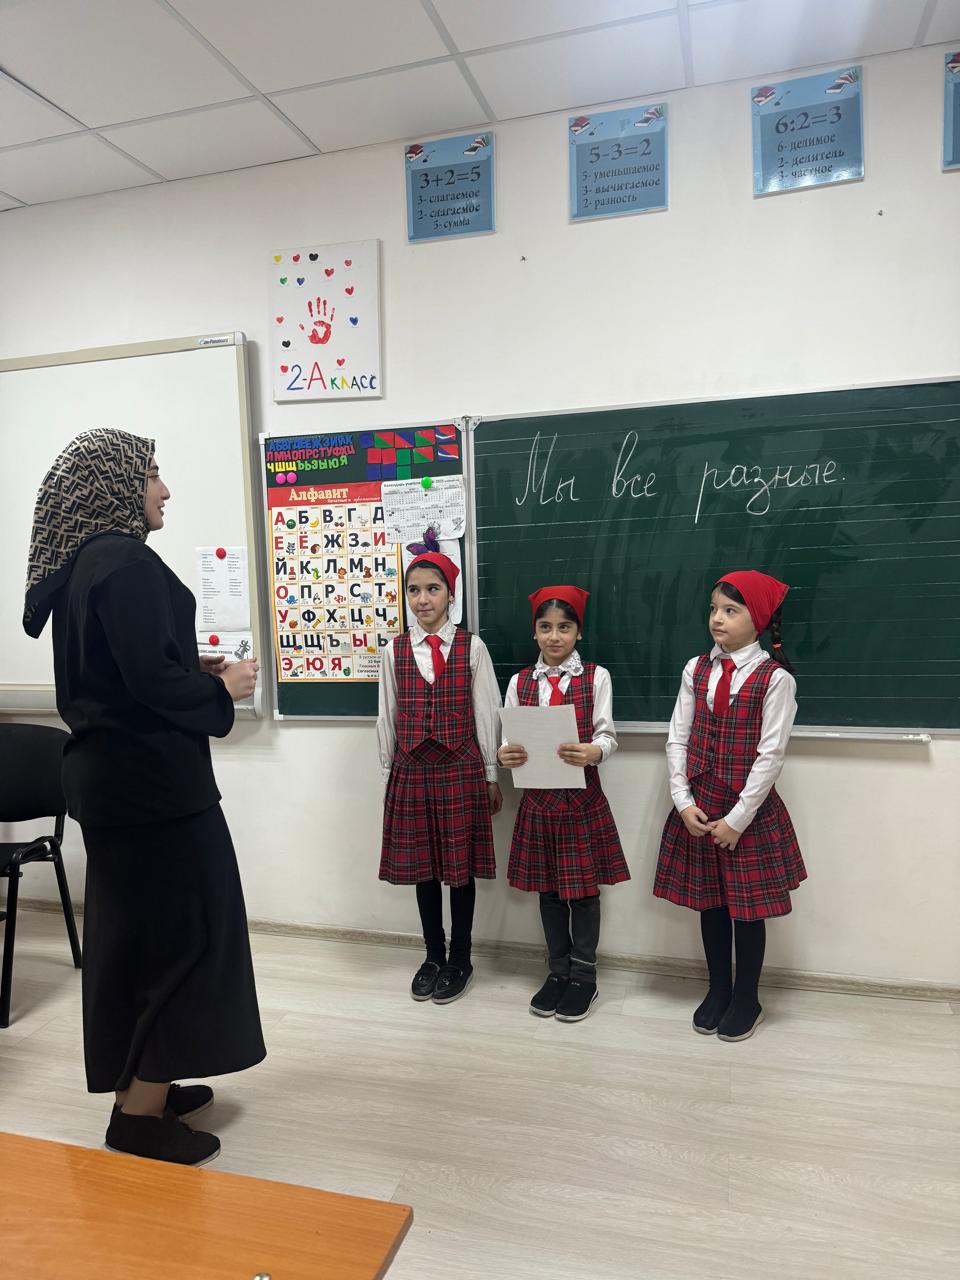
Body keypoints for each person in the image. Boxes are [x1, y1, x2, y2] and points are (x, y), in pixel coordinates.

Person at [23, 429, 265, 1165]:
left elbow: (123, 673)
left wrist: (188, 666)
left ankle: (144, 1084)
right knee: (188, 941)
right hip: (154, 792)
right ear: (114, 484)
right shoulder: (125, 560)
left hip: (118, 787)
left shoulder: (89, 563)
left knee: (141, 943)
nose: (163, 489)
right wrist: (221, 690)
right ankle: (137, 1117)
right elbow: (150, 685)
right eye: (151, 473)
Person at [654, 570, 806, 1042]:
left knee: (747, 909)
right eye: (714, 609)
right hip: (700, 807)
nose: (717, 619)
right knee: (711, 903)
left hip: (747, 815)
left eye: (730, 610)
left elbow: (770, 756)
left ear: (756, 619)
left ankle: (747, 997)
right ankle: (718, 988)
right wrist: (682, 801)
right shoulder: (695, 669)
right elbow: (677, 738)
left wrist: (738, 820)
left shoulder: (775, 679)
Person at [499, 586, 629, 1023]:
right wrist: (504, 755)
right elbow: (508, 740)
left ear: (578, 632)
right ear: (534, 632)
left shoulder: (596, 677)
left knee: (584, 893)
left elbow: (608, 735)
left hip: (581, 801)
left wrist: (595, 750)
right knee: (549, 891)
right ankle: (557, 971)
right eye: (546, 627)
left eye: (564, 627)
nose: (554, 636)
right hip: (538, 802)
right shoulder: (520, 682)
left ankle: (584, 977)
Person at [378, 546, 502, 1004]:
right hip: (411, 769)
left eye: (433, 589)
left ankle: (461, 958)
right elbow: (387, 715)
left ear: (451, 594)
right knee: (423, 869)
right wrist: (388, 774)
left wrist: (490, 773)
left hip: (461, 768)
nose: (422, 599)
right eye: (414, 590)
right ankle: (433, 955)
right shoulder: (394, 650)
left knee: (459, 869)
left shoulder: (472, 647)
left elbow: (486, 711)